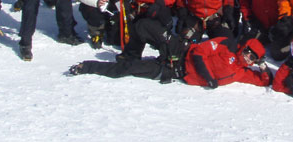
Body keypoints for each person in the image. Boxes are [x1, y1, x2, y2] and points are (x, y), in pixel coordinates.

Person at [68, 37, 271, 90]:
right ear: (244, 48)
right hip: (180, 53)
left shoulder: (242, 72)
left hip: (173, 71)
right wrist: (208, 78)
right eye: (248, 52)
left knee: (131, 69)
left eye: (253, 58)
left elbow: (264, 81)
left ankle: (86, 67)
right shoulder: (226, 47)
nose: (248, 58)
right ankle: (125, 51)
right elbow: (199, 53)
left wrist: (262, 66)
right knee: (147, 27)